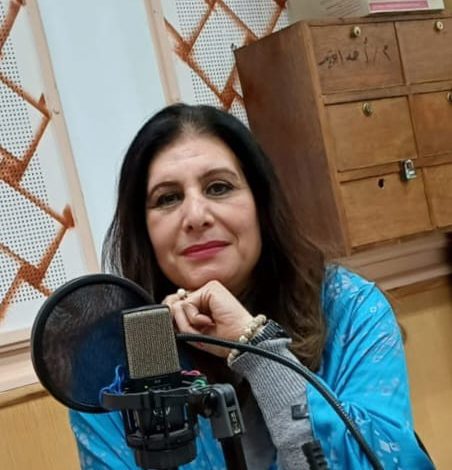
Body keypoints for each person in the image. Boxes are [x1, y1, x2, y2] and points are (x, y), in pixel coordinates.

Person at [69, 103, 434, 469]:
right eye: (168, 198)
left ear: (261, 204)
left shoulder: (349, 309)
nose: (196, 216)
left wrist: (259, 351)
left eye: (219, 188)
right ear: (143, 230)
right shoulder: (108, 366)